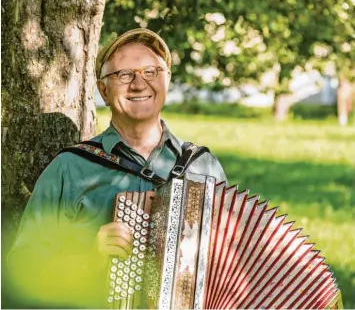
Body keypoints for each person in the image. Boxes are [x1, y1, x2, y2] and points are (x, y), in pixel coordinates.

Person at [7, 28, 227, 309]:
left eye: (151, 71)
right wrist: (92, 259)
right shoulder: (71, 168)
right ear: (103, 91)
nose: (138, 84)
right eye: (123, 74)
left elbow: (229, 258)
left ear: (167, 81)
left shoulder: (203, 165)